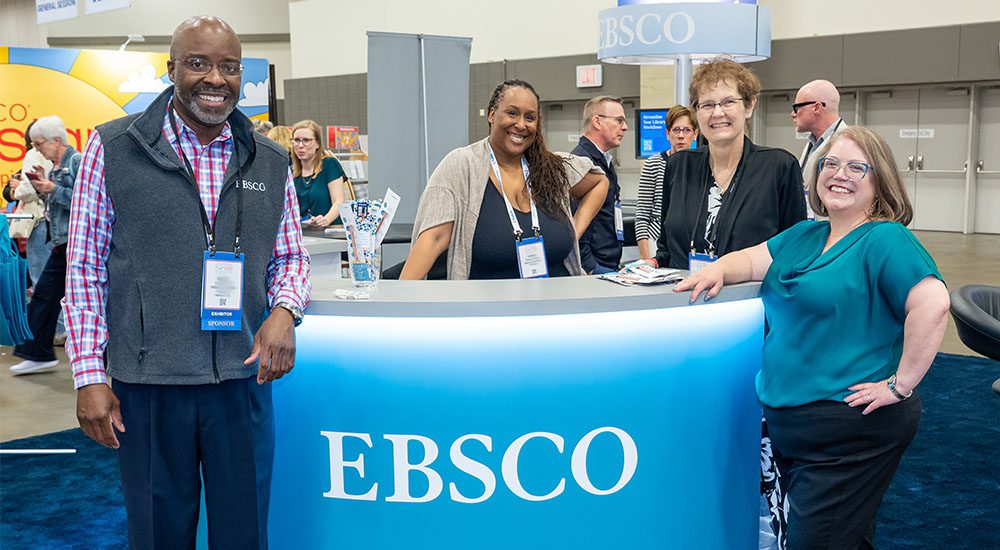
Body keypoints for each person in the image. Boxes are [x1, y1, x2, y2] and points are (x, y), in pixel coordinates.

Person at [64, 16, 311, 549]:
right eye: (198, 64)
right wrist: (89, 375)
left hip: (241, 382)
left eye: (228, 66)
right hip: (148, 386)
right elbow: (84, 271)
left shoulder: (268, 158)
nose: (214, 78)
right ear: (170, 68)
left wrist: (284, 311)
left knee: (244, 533)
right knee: (157, 534)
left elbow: (290, 256)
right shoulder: (112, 150)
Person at [676, 126, 950, 550]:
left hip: (849, 428)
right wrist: (718, 269)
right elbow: (751, 260)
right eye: (831, 164)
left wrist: (902, 384)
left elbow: (932, 303)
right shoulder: (807, 234)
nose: (840, 174)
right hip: (796, 425)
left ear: (880, 183)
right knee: (844, 534)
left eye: (857, 167)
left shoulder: (885, 238)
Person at [400, 79, 608, 280]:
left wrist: (574, 230)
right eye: (512, 113)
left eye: (530, 117)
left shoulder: (552, 168)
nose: (521, 124)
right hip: (489, 311)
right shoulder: (462, 165)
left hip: (556, 308)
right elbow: (433, 238)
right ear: (492, 114)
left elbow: (600, 182)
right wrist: (401, 299)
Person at [650, 57, 806, 271]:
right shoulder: (679, 166)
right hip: (681, 297)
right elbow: (666, 248)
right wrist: (651, 265)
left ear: (749, 106)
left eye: (728, 102)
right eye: (707, 104)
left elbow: (794, 250)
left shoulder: (779, 167)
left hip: (747, 299)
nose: (717, 112)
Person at [9, 115, 80, 375]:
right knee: (44, 296)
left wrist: (52, 189)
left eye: (39, 144)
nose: (36, 149)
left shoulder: (77, 162)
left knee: (49, 296)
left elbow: (86, 201)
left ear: (56, 141)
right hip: (62, 244)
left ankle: (38, 353)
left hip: (77, 245)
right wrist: (44, 186)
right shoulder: (55, 167)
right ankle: (37, 353)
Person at [572, 95, 628, 274]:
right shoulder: (581, 161)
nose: (625, 127)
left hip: (607, 262)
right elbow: (575, 224)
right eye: (619, 120)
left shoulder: (604, 161)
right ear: (597, 122)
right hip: (594, 267)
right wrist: (589, 267)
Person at [634, 105, 698, 259]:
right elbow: (642, 215)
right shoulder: (653, 164)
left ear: (695, 134)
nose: (681, 135)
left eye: (687, 130)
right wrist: (645, 258)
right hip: (657, 240)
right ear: (667, 134)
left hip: (690, 242)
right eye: (676, 130)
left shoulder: (702, 165)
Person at [291, 119, 351, 228]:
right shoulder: (290, 173)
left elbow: (339, 201)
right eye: (296, 140)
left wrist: (325, 220)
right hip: (302, 235)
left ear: (317, 144)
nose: (300, 145)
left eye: (306, 140)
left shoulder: (329, 165)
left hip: (330, 232)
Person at [792, 79, 848, 179]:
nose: (793, 114)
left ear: (817, 108)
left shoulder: (847, 145)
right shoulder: (812, 144)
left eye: (796, 108)